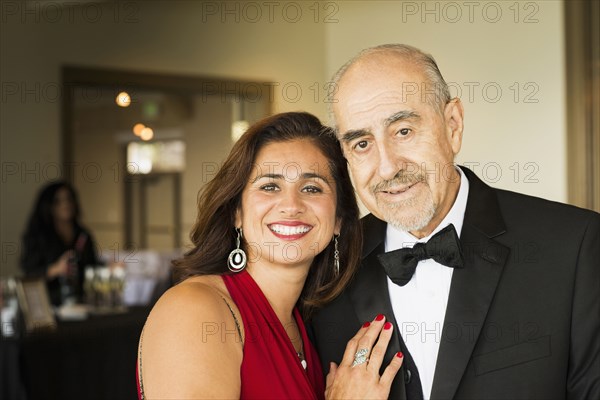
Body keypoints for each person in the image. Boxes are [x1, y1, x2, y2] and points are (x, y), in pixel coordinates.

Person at [310, 44, 600, 400]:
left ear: (453, 125)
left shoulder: (573, 245)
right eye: (361, 143)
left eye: (403, 131)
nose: (387, 168)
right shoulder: (327, 270)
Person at [136, 112, 404, 399]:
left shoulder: (310, 328)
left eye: (312, 188)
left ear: (338, 219)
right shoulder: (195, 309)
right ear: (236, 213)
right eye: (269, 186)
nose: (291, 205)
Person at [21, 181, 100, 306]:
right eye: (58, 201)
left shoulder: (83, 235)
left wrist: (109, 268)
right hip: (48, 304)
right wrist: (56, 269)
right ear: (49, 206)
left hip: (81, 303)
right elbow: (29, 274)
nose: (65, 204)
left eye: (69, 199)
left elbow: (92, 266)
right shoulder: (39, 236)